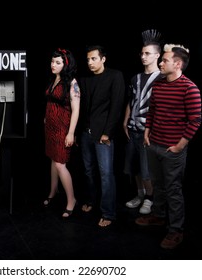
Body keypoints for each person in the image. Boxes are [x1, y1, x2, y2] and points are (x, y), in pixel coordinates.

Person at [135, 44, 202, 249]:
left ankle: (175, 231)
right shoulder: (159, 85)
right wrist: (147, 132)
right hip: (153, 144)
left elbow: (195, 120)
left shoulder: (189, 88)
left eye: (164, 60)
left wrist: (179, 146)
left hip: (172, 150)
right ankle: (158, 216)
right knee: (158, 185)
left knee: (173, 190)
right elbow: (152, 111)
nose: (161, 63)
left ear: (178, 63)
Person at [78, 45, 125, 227]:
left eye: (93, 59)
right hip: (85, 134)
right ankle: (91, 200)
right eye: (88, 59)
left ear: (103, 59)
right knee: (88, 171)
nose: (90, 62)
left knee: (106, 174)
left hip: (103, 135)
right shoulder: (85, 79)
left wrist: (108, 133)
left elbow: (116, 106)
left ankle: (108, 213)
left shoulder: (115, 76)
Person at [124, 29, 164, 215]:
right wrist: (126, 120)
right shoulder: (136, 78)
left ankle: (150, 197)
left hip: (150, 132)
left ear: (157, 55)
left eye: (147, 53)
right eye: (142, 53)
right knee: (134, 166)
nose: (143, 56)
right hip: (133, 129)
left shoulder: (163, 79)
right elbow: (131, 101)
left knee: (147, 168)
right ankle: (140, 194)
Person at [43, 48, 80, 218]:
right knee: (53, 158)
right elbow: (52, 102)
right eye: (52, 61)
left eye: (57, 63)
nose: (53, 65)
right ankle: (53, 191)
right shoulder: (54, 79)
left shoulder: (72, 82)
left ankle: (71, 200)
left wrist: (71, 133)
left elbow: (76, 109)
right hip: (50, 126)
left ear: (65, 65)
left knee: (60, 164)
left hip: (63, 128)